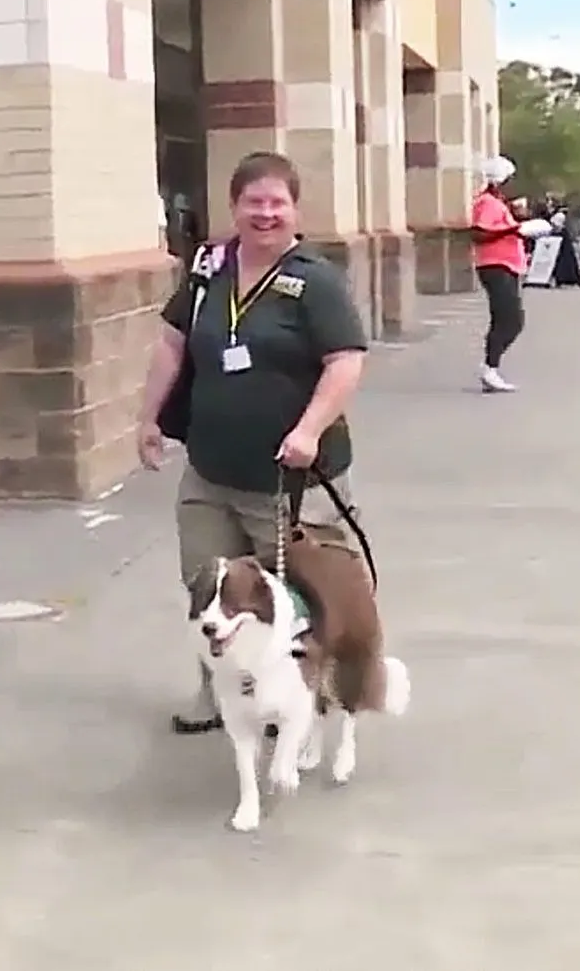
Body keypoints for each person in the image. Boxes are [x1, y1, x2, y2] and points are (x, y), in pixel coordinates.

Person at [133, 151, 370, 736]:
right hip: (211, 472)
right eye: (253, 202)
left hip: (289, 481)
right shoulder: (209, 271)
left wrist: (308, 430)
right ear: (234, 207)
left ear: (294, 208)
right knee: (210, 589)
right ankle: (218, 692)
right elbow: (172, 345)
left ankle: (304, 696)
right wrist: (149, 418)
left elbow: (346, 361)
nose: (265, 214)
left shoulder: (315, 280)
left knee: (303, 595)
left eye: (277, 202)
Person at [471, 156, 526, 393]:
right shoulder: (487, 203)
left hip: (507, 265)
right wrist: (513, 228)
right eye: (511, 179)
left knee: (506, 318)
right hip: (495, 265)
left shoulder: (498, 203)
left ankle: (491, 367)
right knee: (510, 319)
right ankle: (489, 367)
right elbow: (479, 233)